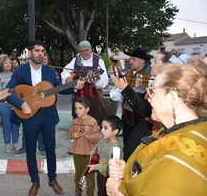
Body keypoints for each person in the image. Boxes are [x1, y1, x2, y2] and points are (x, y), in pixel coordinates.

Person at [106, 58, 207, 196]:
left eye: (152, 92)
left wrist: (117, 193)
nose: (148, 98)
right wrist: (131, 171)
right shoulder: (179, 133)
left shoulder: (177, 160)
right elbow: (154, 174)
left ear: (172, 98)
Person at [6, 40, 84, 196]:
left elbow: (59, 89)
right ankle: (35, 181)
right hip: (29, 115)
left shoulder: (49, 72)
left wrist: (74, 87)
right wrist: (21, 104)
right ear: (30, 53)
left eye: (42, 50)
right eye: (37, 50)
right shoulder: (20, 72)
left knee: (50, 149)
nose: (40, 53)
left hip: (48, 116)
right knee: (30, 150)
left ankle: (52, 179)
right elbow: (10, 91)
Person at [110, 47, 153, 160]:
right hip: (127, 118)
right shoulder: (127, 73)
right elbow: (114, 95)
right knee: (127, 147)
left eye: (133, 59)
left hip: (141, 121)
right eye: (130, 59)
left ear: (142, 61)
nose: (130, 61)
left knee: (139, 151)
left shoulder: (150, 75)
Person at [61, 40, 109, 123]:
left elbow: (104, 81)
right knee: (78, 123)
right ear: (80, 52)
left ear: (91, 50)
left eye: (87, 50)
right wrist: (68, 77)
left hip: (93, 99)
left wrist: (94, 82)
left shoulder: (99, 61)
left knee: (93, 122)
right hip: (78, 98)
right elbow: (65, 71)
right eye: (82, 51)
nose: (85, 53)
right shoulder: (75, 60)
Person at [67, 97, 99, 196]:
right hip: (77, 152)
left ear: (87, 109)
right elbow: (70, 133)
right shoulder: (75, 121)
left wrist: (86, 135)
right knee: (78, 176)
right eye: (76, 108)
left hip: (89, 152)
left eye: (80, 108)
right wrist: (73, 135)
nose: (77, 110)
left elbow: (96, 137)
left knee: (89, 176)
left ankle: (90, 194)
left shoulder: (93, 122)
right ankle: (78, 193)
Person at [87, 116, 123, 196]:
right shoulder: (105, 139)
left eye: (105, 128)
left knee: (106, 192)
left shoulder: (116, 149)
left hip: (108, 176)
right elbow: (98, 146)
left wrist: (95, 167)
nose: (102, 130)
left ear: (115, 131)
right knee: (100, 191)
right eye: (101, 127)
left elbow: (109, 167)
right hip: (101, 172)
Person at [0, 55, 20, 153]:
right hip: (4, 105)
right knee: (6, 125)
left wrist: (16, 102)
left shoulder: (16, 75)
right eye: (6, 63)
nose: (8, 64)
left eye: (10, 63)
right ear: (1, 65)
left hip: (17, 105)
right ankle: (7, 144)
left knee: (16, 125)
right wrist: (10, 100)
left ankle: (16, 143)